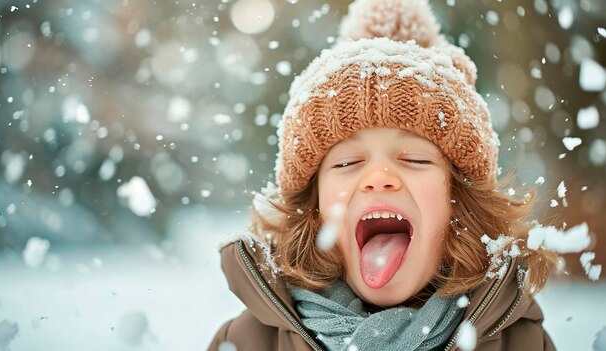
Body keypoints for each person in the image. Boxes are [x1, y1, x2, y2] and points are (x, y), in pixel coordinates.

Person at [209, 0, 557, 350]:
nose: (379, 176)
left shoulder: (522, 342)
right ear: (312, 209)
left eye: (415, 159)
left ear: (460, 206)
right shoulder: (246, 342)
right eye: (346, 163)